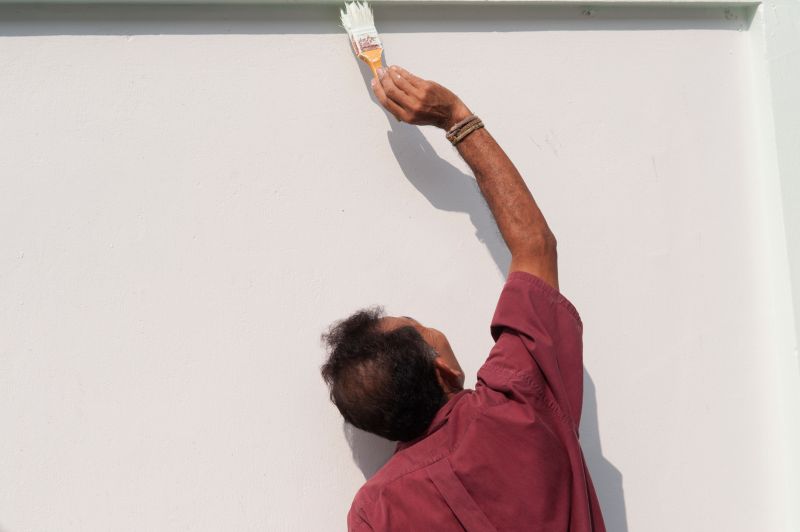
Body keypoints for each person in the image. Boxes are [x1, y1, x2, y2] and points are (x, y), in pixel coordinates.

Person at [321, 65, 606, 531]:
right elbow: (535, 246)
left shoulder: (375, 511)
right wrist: (454, 116)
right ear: (444, 370)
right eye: (422, 326)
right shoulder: (518, 403)